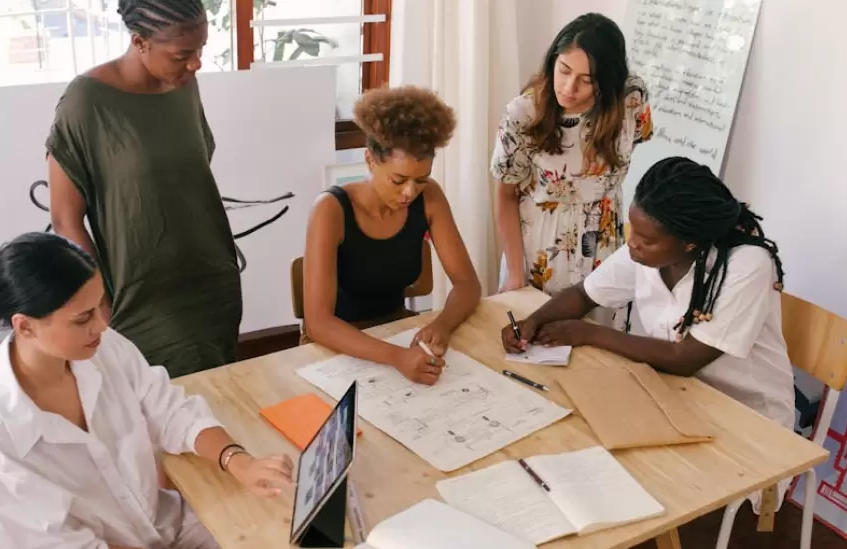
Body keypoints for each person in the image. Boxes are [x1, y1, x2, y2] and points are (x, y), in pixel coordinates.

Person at [0, 232, 293, 549]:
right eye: (83, 318)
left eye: (100, 305)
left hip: (170, 525)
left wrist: (237, 460)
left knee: (280, 529)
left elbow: (170, 410)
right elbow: (62, 542)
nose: (101, 325)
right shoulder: (6, 434)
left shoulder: (104, 347)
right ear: (25, 326)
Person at [502, 156, 795, 432]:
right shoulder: (646, 253)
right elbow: (584, 295)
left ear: (689, 242)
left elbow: (685, 358)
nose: (632, 244)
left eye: (645, 240)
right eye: (634, 233)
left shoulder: (747, 264)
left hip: (749, 419)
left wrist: (589, 333)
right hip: (678, 395)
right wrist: (533, 321)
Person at [46, 0, 241, 378]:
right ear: (139, 42)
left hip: (212, 281)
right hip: (141, 296)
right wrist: (99, 300)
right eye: (183, 54)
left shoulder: (183, 84)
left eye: (200, 49)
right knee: (161, 412)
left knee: (217, 402)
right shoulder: (86, 102)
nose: (196, 63)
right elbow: (65, 219)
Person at [303, 86, 482, 386]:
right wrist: (396, 357)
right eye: (398, 180)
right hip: (336, 349)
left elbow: (467, 284)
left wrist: (442, 325)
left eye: (421, 180)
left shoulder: (430, 198)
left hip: (395, 332)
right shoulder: (330, 210)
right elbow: (318, 323)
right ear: (371, 160)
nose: (410, 192)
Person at [492, 12, 653, 329]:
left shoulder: (630, 100)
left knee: (600, 355)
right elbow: (505, 196)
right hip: (541, 251)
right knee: (534, 346)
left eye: (587, 79)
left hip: (605, 247)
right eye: (563, 70)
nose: (568, 87)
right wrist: (515, 273)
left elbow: (634, 142)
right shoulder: (524, 114)